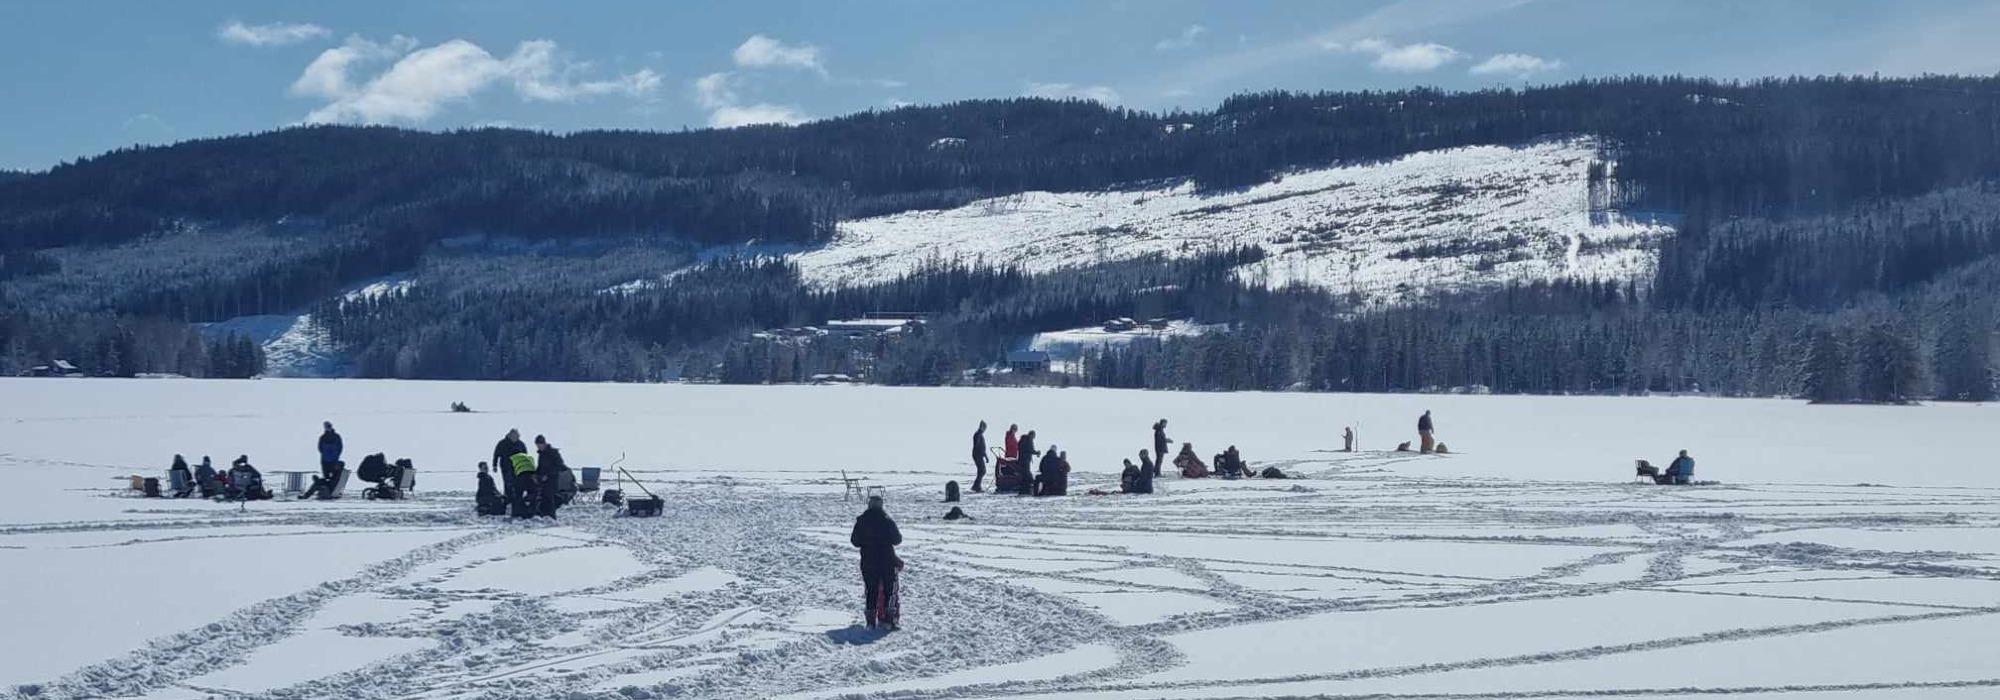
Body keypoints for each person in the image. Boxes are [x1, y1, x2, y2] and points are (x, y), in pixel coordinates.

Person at [850, 494, 904, 630]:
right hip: (887, 560)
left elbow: (855, 541)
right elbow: (897, 539)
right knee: (889, 591)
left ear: (869, 505)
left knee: (871, 591)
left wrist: (866, 542)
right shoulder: (887, 521)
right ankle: (889, 619)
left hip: (868, 561)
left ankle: (870, 622)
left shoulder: (861, 521)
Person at [492, 429, 527, 513]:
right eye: (514, 436)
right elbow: (496, 454)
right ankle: (508, 501)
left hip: (518, 467)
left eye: (517, 436)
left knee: (518, 485)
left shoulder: (521, 444)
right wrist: (494, 465)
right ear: (510, 435)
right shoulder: (502, 443)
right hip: (506, 467)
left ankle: (517, 503)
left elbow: (525, 456)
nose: (515, 438)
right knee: (508, 485)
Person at [534, 435, 567, 518]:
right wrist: (535, 474)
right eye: (537, 445)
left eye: (539, 445)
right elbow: (540, 467)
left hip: (552, 480)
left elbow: (560, 466)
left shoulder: (553, 453)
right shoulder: (541, 454)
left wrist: (548, 475)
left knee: (549, 498)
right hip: (542, 480)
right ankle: (544, 515)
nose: (539, 447)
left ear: (543, 443)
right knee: (544, 498)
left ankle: (552, 516)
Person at [508, 450, 539, 519]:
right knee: (533, 493)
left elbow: (511, 472)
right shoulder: (529, 456)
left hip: (521, 475)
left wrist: (512, 482)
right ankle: (532, 512)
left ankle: (517, 513)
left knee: (518, 495)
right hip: (532, 475)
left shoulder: (512, 458)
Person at [1015, 431, 1041, 495]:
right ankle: (1028, 486)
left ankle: (1024, 486)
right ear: (1032, 435)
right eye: (1034, 436)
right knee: (1027, 473)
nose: (1034, 438)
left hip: (1021, 459)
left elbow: (1021, 449)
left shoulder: (1022, 440)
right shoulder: (1029, 440)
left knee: (1024, 473)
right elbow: (1030, 450)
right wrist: (1037, 453)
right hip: (1026, 460)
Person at [971, 421, 989, 493]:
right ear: (982, 427)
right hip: (977, 455)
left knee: (981, 471)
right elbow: (978, 446)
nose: (985, 429)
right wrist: (983, 454)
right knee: (982, 471)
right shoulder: (978, 434)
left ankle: (976, 486)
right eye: (984, 427)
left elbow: (982, 447)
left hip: (979, 455)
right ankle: (976, 486)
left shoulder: (980, 434)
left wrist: (985, 456)